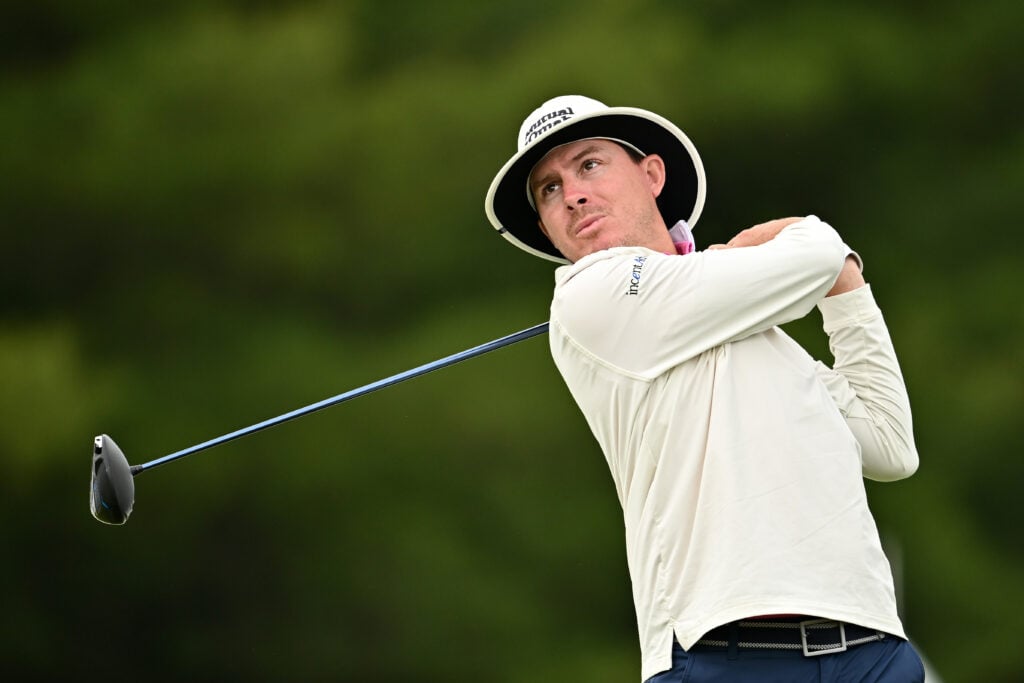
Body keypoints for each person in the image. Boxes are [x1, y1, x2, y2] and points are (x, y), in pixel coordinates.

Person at [484, 95, 924, 682]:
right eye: (548, 189)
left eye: (589, 165)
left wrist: (846, 286)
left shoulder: (763, 336)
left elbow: (890, 444)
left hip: (871, 646)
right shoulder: (588, 295)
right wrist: (804, 244)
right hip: (721, 653)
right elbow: (816, 247)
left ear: (652, 173)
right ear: (547, 228)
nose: (572, 194)